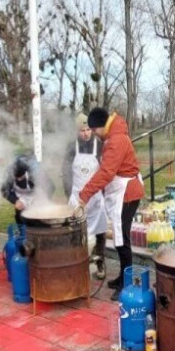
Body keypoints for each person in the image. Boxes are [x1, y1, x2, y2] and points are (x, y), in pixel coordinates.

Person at [77, 107, 144, 301]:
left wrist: (85, 195)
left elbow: (106, 172)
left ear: (100, 127)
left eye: (94, 131)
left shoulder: (116, 140)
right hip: (123, 193)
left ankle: (127, 282)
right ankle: (124, 276)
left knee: (123, 238)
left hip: (128, 194)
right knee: (120, 236)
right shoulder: (114, 135)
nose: (95, 135)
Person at [64, 114, 108, 280]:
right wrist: (70, 194)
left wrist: (102, 194)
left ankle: (100, 261)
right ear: (77, 130)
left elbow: (105, 171)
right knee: (76, 231)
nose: (86, 133)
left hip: (96, 197)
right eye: (82, 130)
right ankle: (78, 262)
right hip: (77, 197)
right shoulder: (71, 147)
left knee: (100, 231)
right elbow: (66, 172)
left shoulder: (100, 145)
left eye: (88, 129)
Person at [2, 153, 55, 225]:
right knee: (20, 216)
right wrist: (15, 200)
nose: (19, 179)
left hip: (36, 194)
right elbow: (4, 191)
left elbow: (51, 186)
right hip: (21, 197)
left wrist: (44, 199)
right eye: (16, 178)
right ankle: (23, 232)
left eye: (21, 177)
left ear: (26, 172)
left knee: (39, 219)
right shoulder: (9, 175)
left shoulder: (35, 172)